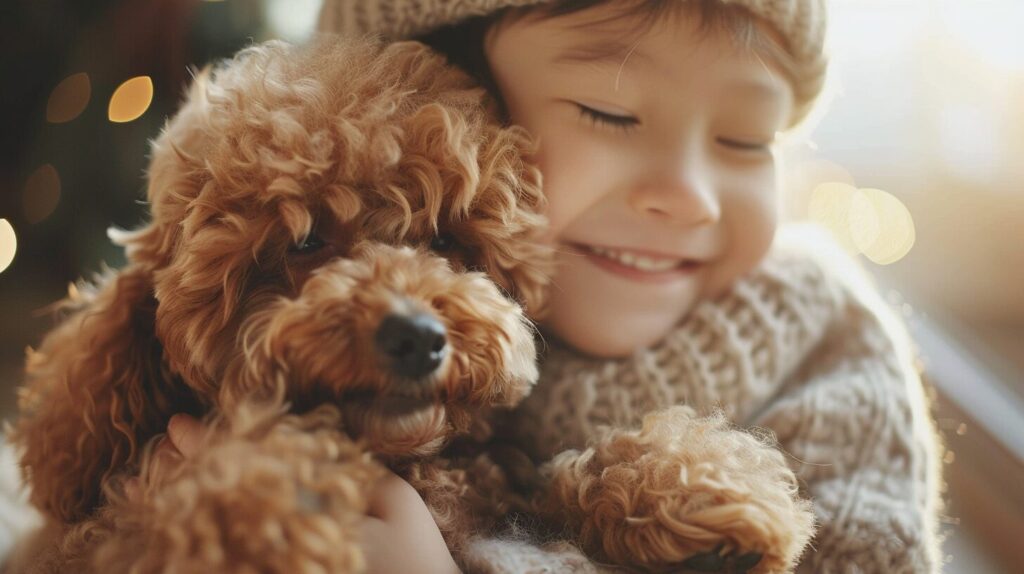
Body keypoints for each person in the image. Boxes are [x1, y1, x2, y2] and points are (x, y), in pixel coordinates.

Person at [167, 1, 945, 572]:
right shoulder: (309, 340)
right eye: (610, 112)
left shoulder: (828, 352)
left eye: (747, 139)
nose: (690, 197)